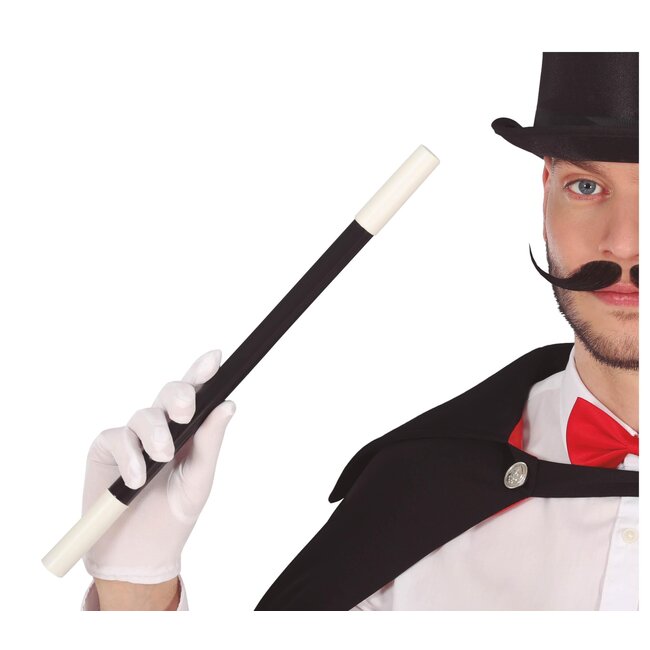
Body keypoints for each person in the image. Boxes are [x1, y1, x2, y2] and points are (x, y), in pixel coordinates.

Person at [81, 52, 638, 610]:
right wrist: (137, 587)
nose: (623, 243)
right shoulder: (421, 496)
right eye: (587, 187)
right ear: (546, 190)